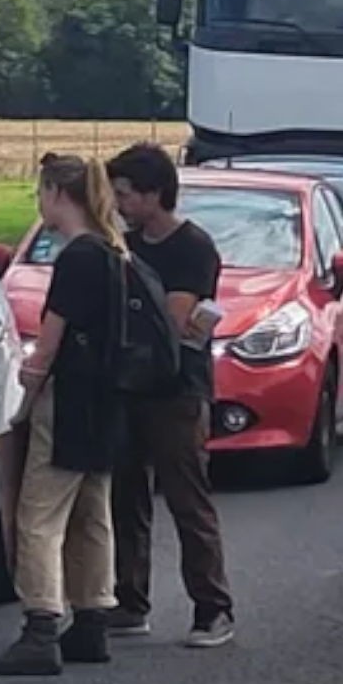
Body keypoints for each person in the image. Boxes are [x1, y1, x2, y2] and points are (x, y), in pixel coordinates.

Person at [0, 153, 124, 677]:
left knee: (38, 515)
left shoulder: (76, 258)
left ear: (58, 194)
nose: (40, 203)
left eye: (41, 192)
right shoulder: (112, 252)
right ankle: (92, 618)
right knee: (92, 513)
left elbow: (52, 337)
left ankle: (40, 626)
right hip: (106, 400)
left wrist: (29, 376)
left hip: (68, 402)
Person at [106, 143, 234, 647]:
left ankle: (212, 608)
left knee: (187, 499)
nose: (119, 205)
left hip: (177, 389)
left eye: (125, 195)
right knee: (126, 496)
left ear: (155, 195)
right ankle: (129, 601)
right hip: (129, 386)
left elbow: (174, 319)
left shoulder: (192, 248)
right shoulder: (127, 245)